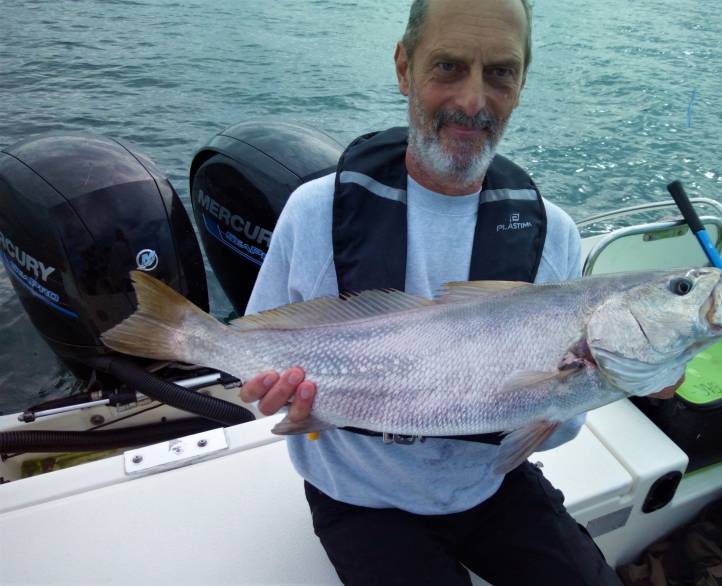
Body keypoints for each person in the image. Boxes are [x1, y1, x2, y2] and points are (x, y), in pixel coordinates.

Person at [240, 1, 681, 583]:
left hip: (489, 484)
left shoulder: (553, 235)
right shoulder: (317, 211)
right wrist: (267, 393)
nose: (473, 102)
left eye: (500, 72)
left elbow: (556, 424)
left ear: (522, 82)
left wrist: (639, 376)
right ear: (404, 68)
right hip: (358, 495)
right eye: (447, 67)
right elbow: (254, 356)